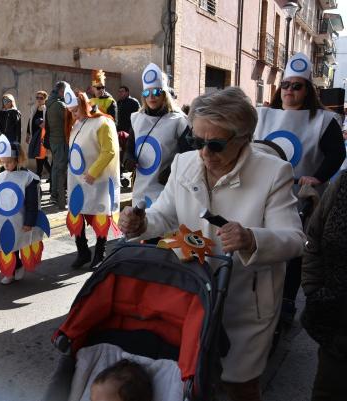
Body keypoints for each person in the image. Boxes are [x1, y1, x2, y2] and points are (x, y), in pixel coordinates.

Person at [118, 87, 305, 401]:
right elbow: (164, 214)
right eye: (197, 140)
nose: (205, 153)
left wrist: (251, 238)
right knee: (191, 378)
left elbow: (294, 239)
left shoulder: (274, 173)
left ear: (243, 138)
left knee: (239, 386)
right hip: (192, 293)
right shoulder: (184, 163)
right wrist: (142, 223)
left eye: (215, 144)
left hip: (245, 303)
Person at [254, 52, 345, 327]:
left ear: (308, 90)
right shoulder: (262, 115)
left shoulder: (323, 120)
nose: (290, 91)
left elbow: (335, 154)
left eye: (297, 86)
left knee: (293, 249)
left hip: (298, 199)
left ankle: (287, 301)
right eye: (286, 85)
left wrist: (316, 178)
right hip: (261, 194)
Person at [301, 171, 347, 400]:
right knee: (328, 392)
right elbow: (314, 236)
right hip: (338, 324)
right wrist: (313, 288)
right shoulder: (343, 183)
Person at [64, 84, 120, 269]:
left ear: (84, 105)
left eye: (76, 110)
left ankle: (100, 252)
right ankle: (83, 252)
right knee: (77, 213)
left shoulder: (103, 122)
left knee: (99, 215)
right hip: (78, 180)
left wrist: (93, 172)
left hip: (98, 180)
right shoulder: (77, 124)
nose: (75, 115)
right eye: (71, 112)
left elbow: (109, 151)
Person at [124, 63, 191, 208]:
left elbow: (189, 153)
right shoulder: (137, 118)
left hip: (166, 190)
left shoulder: (179, 121)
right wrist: (128, 158)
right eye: (147, 93)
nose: (151, 97)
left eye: (156, 92)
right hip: (140, 190)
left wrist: (172, 171)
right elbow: (130, 146)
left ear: (165, 94)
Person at [0, 135, 48, 285]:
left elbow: (31, 202)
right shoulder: (0, 177)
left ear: (17, 159)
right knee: (7, 243)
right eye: (3, 162)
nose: (6, 165)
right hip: (3, 220)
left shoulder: (27, 178)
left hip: (21, 218)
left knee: (19, 241)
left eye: (9, 162)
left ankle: (18, 266)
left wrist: (29, 221)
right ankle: (11, 270)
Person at [45, 81, 72, 209]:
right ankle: (60, 199)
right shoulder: (59, 105)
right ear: (61, 91)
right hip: (60, 140)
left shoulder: (50, 104)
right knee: (61, 169)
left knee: (56, 168)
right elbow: (71, 118)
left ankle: (54, 195)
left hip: (54, 140)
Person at [26, 90, 52, 180]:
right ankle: (52, 175)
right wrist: (28, 134)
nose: (39, 100)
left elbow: (50, 122)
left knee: (41, 157)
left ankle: (38, 177)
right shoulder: (34, 108)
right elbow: (30, 121)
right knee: (41, 157)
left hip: (43, 136)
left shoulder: (47, 109)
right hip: (35, 136)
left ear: (45, 99)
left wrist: (45, 125)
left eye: (41, 98)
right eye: (37, 98)